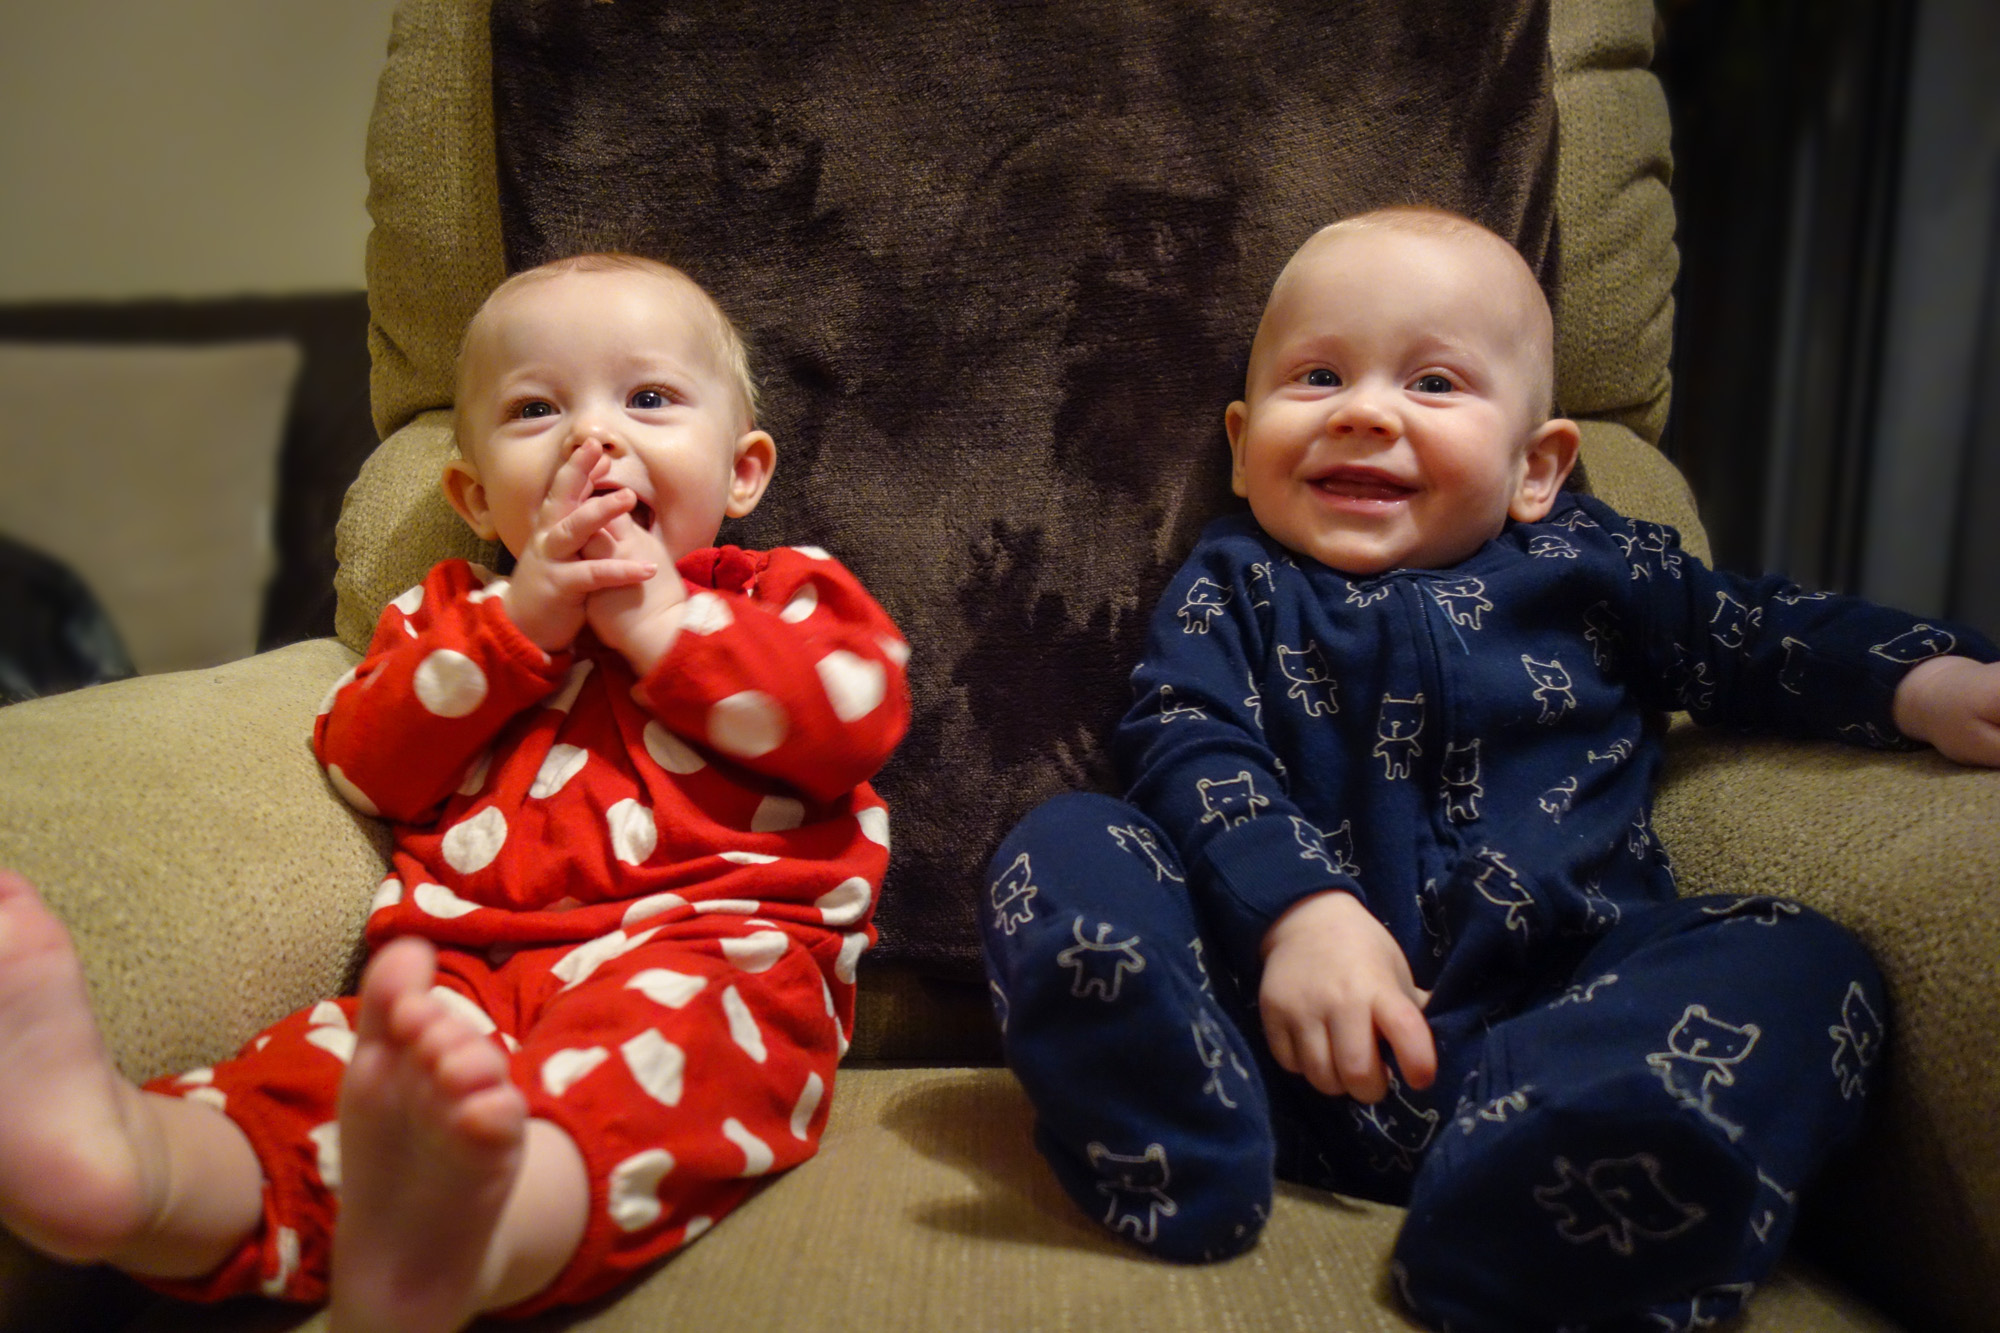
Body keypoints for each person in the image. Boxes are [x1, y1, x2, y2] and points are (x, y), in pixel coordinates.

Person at [978, 206, 2000, 1331]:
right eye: (1316, 377)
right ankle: (1160, 1114)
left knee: (1802, 953)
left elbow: (1754, 635)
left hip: (1553, 1028)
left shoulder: (1596, 565)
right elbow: (1183, 737)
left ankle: (1557, 1201)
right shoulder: (1234, 587)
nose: (1364, 412)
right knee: (1066, 838)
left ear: (1536, 466)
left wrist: (1920, 684)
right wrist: (1299, 915)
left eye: (1431, 385)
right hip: (1266, 1042)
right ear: (1238, 439)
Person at [0, 253, 909, 1333]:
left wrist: (661, 623)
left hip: (712, 958)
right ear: (477, 497)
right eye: (536, 409)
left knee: (641, 1082)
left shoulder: (783, 595)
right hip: (463, 974)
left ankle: (468, 1242)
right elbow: (362, 760)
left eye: (649, 399)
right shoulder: (453, 617)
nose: (593, 438)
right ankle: (138, 1171)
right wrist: (523, 622)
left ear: (742, 470)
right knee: (322, 1078)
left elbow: (850, 717)